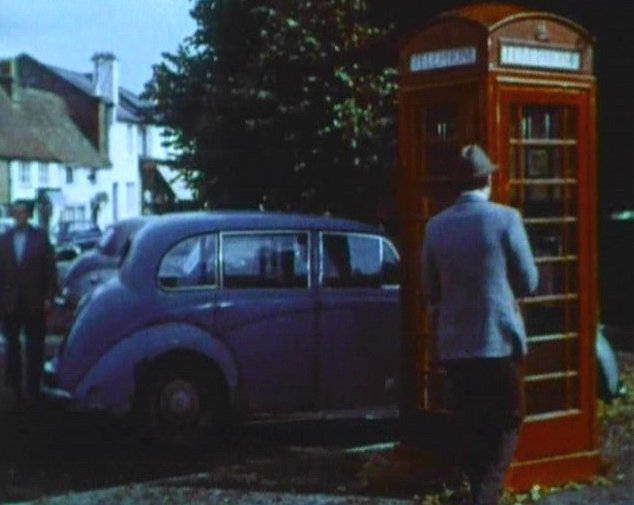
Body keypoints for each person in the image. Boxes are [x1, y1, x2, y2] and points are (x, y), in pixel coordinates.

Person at [420, 145, 538, 505]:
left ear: (458, 185)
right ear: (488, 179)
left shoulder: (435, 226)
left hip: (455, 345)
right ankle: (485, 496)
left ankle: (477, 491)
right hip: (496, 340)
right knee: (509, 416)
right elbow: (529, 281)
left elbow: (430, 289)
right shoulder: (506, 218)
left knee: (471, 423)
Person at [0, 200, 58, 408]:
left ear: (29, 215)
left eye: (22, 212)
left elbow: (50, 269)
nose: (19, 216)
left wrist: (49, 297)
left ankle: (34, 389)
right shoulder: (4, 240)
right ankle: (15, 390)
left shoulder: (40, 238)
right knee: (12, 348)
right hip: (10, 303)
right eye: (15, 213)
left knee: (35, 348)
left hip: (34, 302)